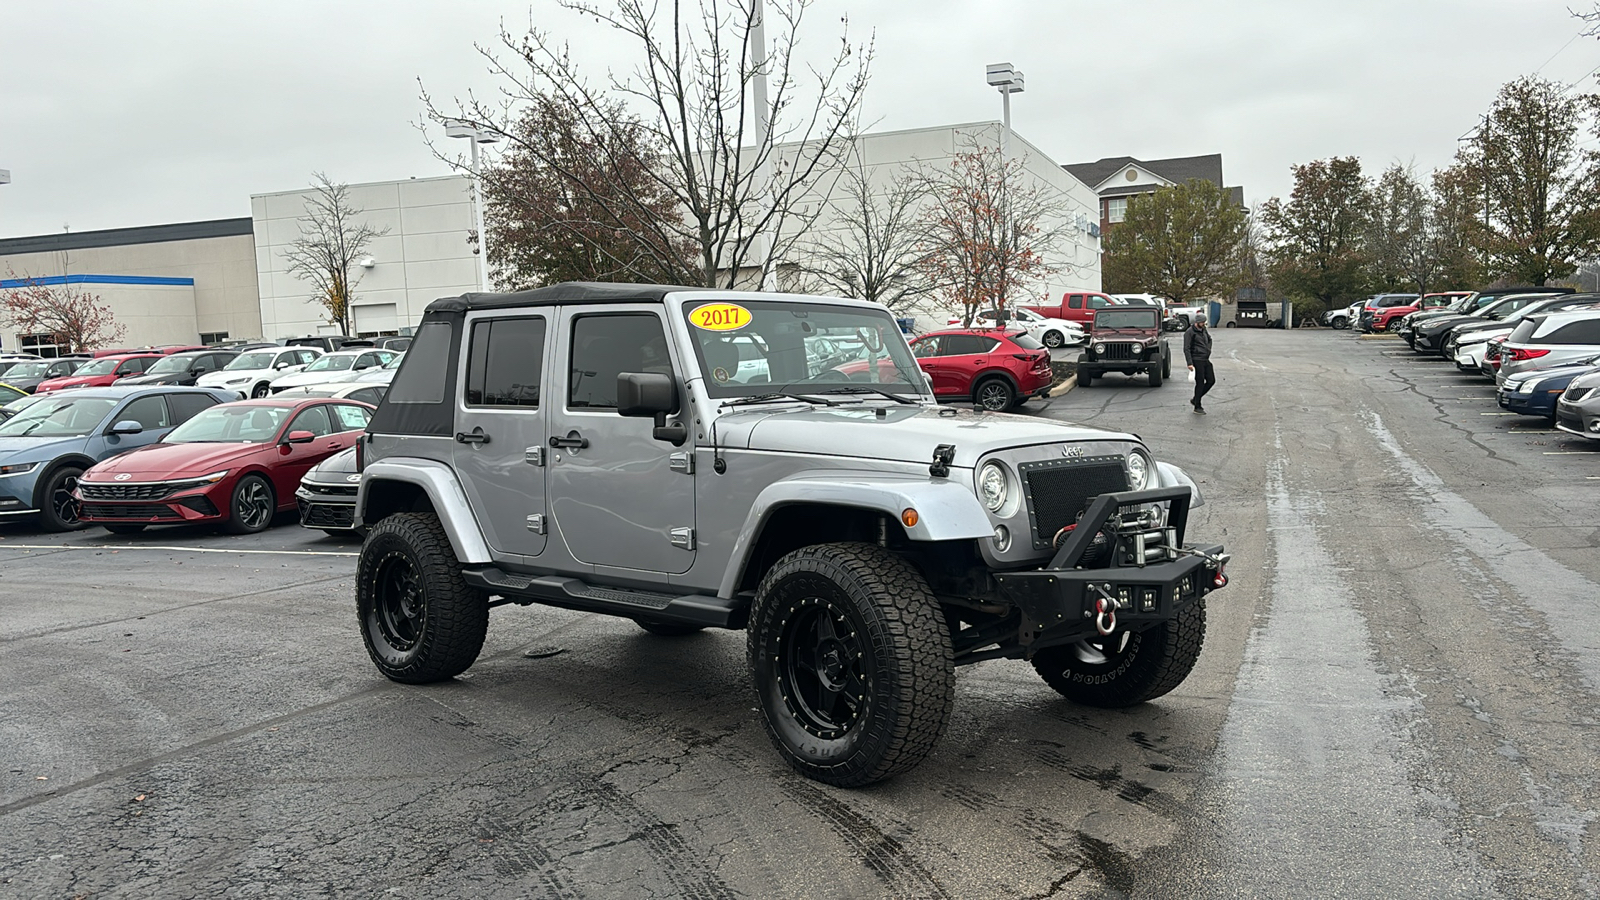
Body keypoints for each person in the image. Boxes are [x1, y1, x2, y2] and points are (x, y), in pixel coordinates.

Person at [1184, 314, 1214, 414]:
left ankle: (1195, 399)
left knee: (1211, 380)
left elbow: (1209, 339)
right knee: (1200, 382)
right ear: (1197, 322)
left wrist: (1208, 349)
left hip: (1205, 358)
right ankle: (1197, 406)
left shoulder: (1203, 330)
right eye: (1202, 322)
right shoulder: (1190, 332)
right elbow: (1186, 348)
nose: (1204, 324)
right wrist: (1189, 363)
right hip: (1197, 359)